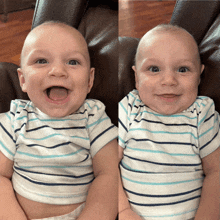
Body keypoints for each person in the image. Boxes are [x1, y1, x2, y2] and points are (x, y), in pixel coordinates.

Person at [0, 21, 118, 220]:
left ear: (90, 80)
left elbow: (110, 174)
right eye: (41, 61)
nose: (57, 71)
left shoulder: (93, 117)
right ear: (22, 80)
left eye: (72, 62)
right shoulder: (16, 118)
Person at [118, 24, 219, 220]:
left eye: (183, 69)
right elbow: (108, 166)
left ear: (199, 75)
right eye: (154, 69)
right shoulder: (129, 108)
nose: (169, 80)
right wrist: (122, 210)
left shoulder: (201, 112)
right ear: (136, 77)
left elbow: (216, 171)